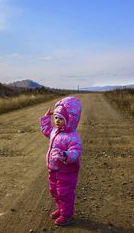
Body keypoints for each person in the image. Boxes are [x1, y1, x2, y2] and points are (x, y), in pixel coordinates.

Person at [40, 96, 82, 226]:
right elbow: (46, 130)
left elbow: (75, 152)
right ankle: (61, 209)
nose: (57, 121)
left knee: (64, 192)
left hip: (66, 171)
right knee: (54, 191)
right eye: (56, 117)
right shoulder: (54, 131)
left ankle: (66, 214)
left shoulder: (72, 137)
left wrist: (64, 155)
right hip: (53, 169)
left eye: (61, 118)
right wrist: (46, 118)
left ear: (69, 119)